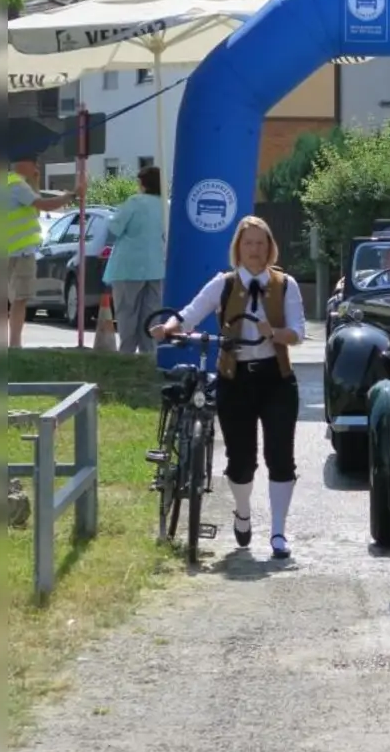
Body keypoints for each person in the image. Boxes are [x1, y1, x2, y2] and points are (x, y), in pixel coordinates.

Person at [150, 216, 305, 560]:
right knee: (240, 461)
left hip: (276, 378)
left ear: (270, 248)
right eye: (248, 243)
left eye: (261, 244)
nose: (255, 250)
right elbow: (190, 313)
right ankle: (243, 511)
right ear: (238, 248)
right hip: (235, 378)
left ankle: (278, 532)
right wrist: (169, 327)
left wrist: (274, 333)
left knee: (281, 457)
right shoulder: (223, 283)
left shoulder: (285, 284)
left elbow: (297, 332)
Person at [3, 154, 71, 347]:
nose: (37, 166)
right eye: (35, 163)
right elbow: (44, 205)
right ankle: (15, 343)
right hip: (20, 251)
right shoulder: (16, 185)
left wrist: (35, 181)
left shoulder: (7, 182)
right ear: (25, 163)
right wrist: (70, 195)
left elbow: (35, 210)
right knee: (20, 298)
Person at [103, 165, 167, 355]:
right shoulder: (166, 205)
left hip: (128, 268)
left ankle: (127, 355)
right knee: (151, 314)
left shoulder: (134, 202)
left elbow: (115, 227)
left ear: (142, 184)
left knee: (127, 313)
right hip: (156, 267)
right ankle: (148, 356)